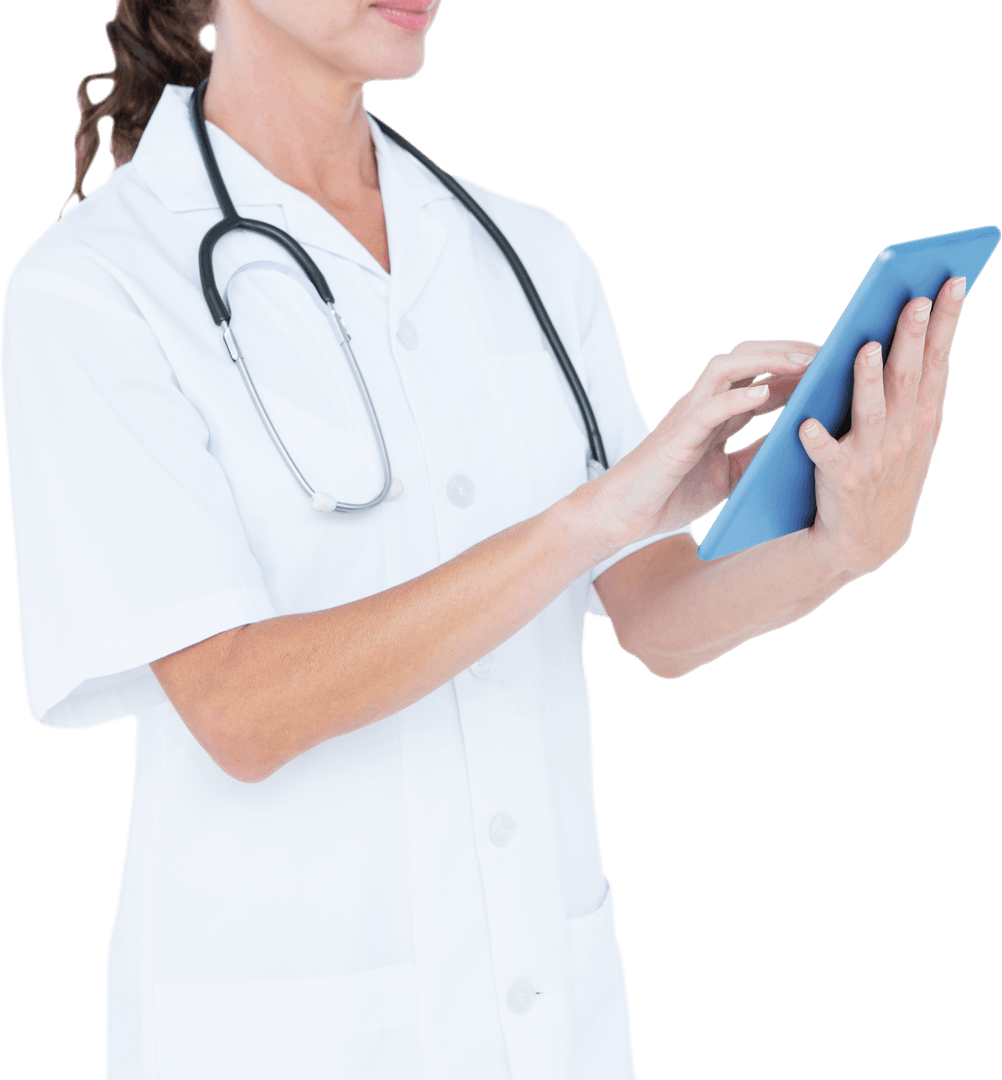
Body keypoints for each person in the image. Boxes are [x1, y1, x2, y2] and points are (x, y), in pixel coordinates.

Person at [0, 2, 967, 1078]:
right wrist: (590, 518)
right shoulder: (93, 285)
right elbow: (239, 709)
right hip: (289, 1034)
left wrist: (841, 545)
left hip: (549, 1028)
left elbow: (654, 614)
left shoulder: (525, 250)